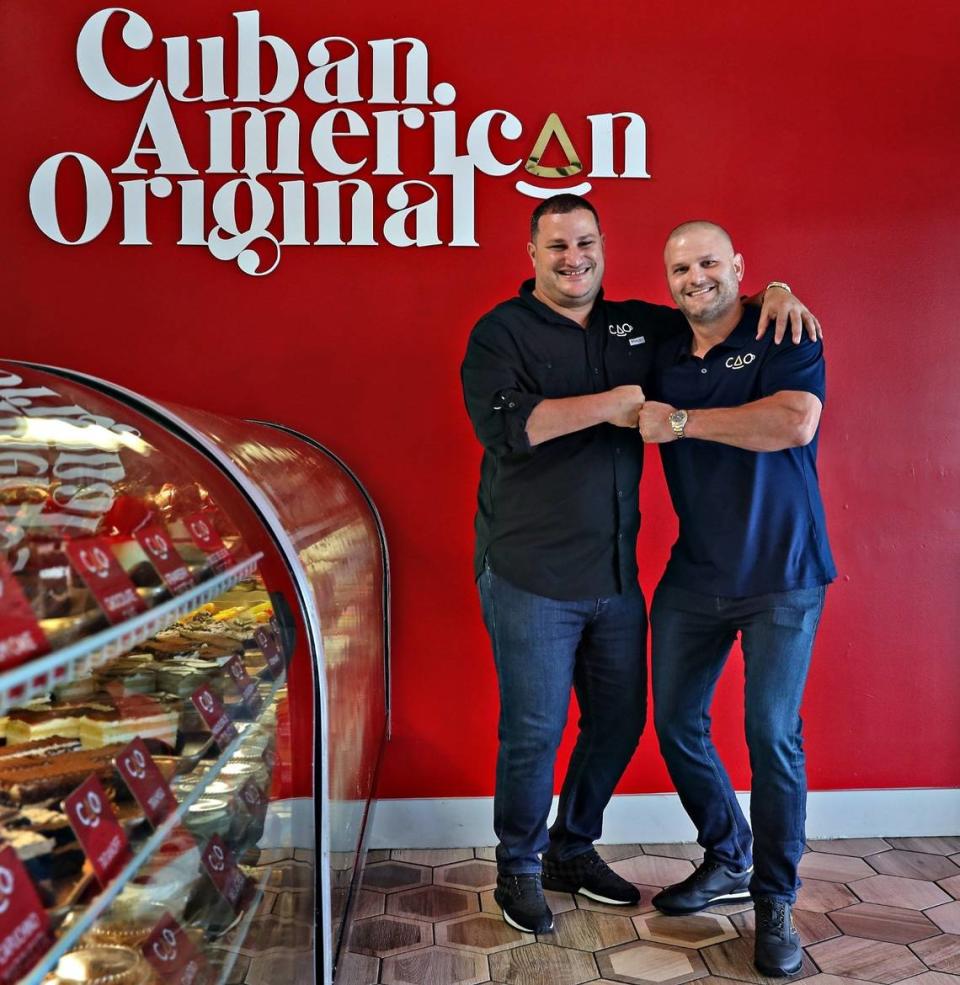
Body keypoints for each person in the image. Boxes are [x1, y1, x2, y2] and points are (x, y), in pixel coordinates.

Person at [460, 195, 819, 935]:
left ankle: (572, 846)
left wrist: (772, 291)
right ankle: (519, 867)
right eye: (556, 246)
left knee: (621, 720)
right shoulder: (500, 332)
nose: (573, 257)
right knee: (535, 727)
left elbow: (714, 307)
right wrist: (612, 402)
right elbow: (510, 426)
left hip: (618, 576)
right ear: (532, 255)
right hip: (529, 567)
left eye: (584, 241)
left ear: (601, 245)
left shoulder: (639, 327)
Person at [638, 220, 834, 976]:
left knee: (771, 735)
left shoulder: (783, 325)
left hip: (784, 572)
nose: (696, 277)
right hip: (697, 574)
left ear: (740, 268)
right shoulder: (662, 344)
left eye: (709, 262)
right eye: (681, 267)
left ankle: (775, 900)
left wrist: (682, 422)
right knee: (676, 721)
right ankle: (729, 854)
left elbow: (794, 420)